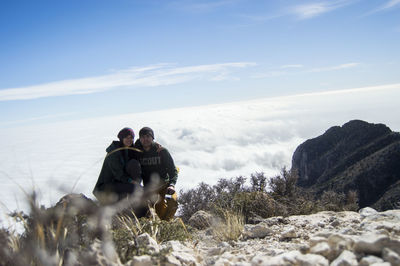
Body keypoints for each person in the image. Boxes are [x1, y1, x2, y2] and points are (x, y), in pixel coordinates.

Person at [135, 127, 178, 221]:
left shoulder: (161, 151)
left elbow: (173, 170)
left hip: (164, 186)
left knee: (173, 202)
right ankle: (162, 225)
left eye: (148, 136)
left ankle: (167, 225)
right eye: (142, 137)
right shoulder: (138, 151)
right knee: (157, 213)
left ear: (152, 138)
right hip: (150, 190)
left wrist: (172, 185)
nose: (145, 139)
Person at [93, 127, 143, 206]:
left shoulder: (130, 150)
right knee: (134, 189)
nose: (129, 140)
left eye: (131, 138)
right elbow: (118, 174)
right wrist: (131, 182)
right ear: (121, 138)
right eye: (127, 137)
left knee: (134, 164)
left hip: (119, 182)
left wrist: (156, 145)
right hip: (106, 187)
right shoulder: (114, 152)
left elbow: (143, 144)